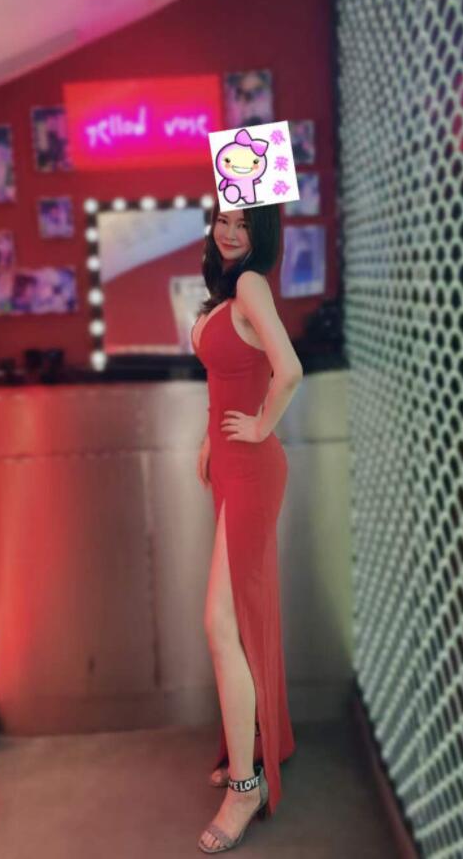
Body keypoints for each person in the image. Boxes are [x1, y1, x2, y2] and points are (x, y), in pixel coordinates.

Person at [191, 202, 303, 852]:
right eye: (224, 221)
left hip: (253, 469)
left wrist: (260, 426)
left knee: (220, 623)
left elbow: (288, 370)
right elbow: (235, 374)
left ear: (261, 234)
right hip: (230, 463)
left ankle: (245, 785)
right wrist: (212, 435)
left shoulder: (252, 283)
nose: (231, 233)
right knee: (238, 619)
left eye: (245, 225)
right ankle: (262, 741)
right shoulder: (228, 291)